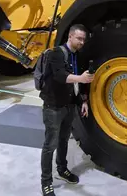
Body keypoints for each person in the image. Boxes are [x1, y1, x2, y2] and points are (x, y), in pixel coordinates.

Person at [39, 24, 94, 196]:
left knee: (63, 141)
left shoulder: (76, 56)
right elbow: (60, 76)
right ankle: (46, 181)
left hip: (69, 106)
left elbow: (76, 85)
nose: (82, 42)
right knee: (50, 145)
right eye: (79, 38)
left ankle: (62, 169)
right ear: (70, 36)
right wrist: (82, 78)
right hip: (53, 107)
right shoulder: (57, 53)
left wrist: (83, 100)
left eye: (83, 39)